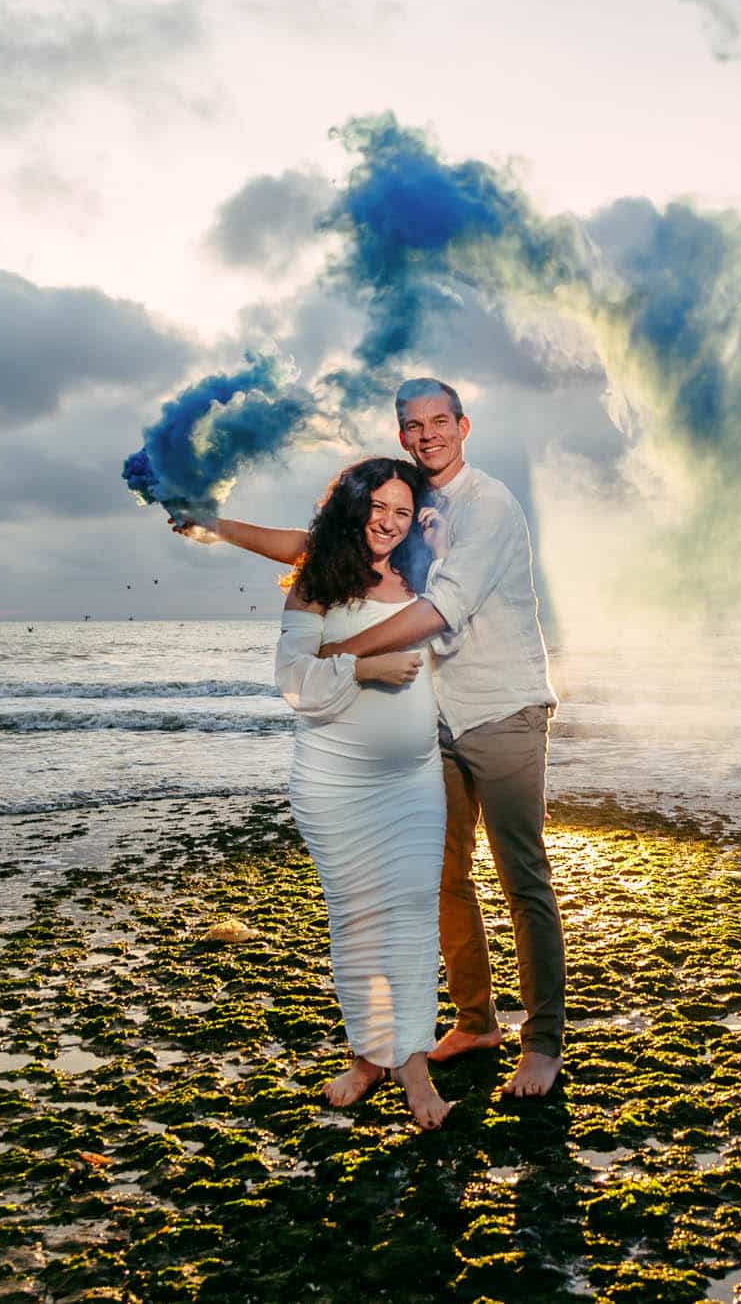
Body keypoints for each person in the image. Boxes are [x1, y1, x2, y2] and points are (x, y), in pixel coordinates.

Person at [181, 378, 564, 1099]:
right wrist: (218, 525)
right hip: (434, 724)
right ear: (401, 434)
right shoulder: (406, 500)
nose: (427, 435)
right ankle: (477, 1020)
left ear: (463, 425)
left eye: (440, 421)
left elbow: (439, 611)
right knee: (444, 878)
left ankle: (542, 1043)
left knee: (522, 875)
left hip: (503, 707)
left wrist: (334, 658)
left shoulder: (489, 505)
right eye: (412, 424)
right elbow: (318, 547)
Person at [272, 456, 454, 1129]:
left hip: (414, 778)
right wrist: (364, 666)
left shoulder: (422, 575)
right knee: (356, 921)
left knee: (410, 916)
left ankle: (412, 1067)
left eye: (403, 510)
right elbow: (291, 679)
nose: (389, 520)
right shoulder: (317, 580)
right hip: (334, 783)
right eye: (378, 505)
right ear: (352, 506)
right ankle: (365, 1057)